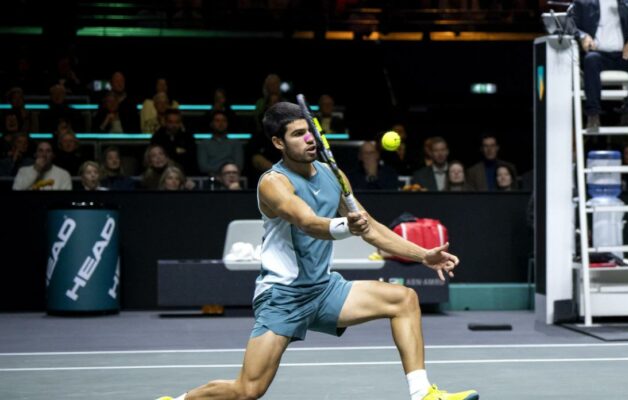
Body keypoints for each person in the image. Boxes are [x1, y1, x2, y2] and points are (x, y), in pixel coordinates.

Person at [157, 102, 477, 400]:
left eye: (310, 131)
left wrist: (423, 255)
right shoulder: (273, 183)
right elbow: (307, 221)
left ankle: (423, 394)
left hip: (324, 290)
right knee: (248, 390)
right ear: (278, 143)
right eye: (298, 134)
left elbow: (373, 228)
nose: (309, 139)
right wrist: (344, 226)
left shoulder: (332, 175)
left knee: (404, 299)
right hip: (283, 296)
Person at [568, 0, 628, 128]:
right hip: (598, 54)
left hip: (622, 55)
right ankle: (593, 115)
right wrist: (582, 36)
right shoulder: (583, 2)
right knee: (591, 59)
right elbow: (569, 25)